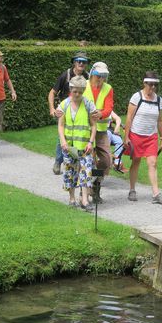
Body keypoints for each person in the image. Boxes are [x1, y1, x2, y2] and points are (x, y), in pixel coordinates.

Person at [124, 71, 162, 204]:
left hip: (151, 136)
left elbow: (160, 120)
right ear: (144, 83)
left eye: (155, 85)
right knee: (136, 161)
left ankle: (156, 194)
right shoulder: (136, 97)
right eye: (150, 84)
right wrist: (126, 137)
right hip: (136, 135)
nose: (153, 87)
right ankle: (132, 190)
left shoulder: (158, 100)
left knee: (153, 163)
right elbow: (129, 118)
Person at [57, 76, 97, 212]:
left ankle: (85, 200)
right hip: (69, 146)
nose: (77, 94)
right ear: (70, 89)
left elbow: (93, 125)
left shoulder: (88, 104)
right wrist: (62, 141)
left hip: (85, 146)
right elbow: (61, 125)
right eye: (75, 91)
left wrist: (91, 142)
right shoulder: (64, 105)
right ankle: (72, 198)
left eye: (80, 92)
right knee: (70, 172)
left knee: (86, 171)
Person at [49, 51, 90, 174]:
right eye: (79, 61)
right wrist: (52, 109)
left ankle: (75, 163)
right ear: (74, 62)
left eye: (84, 62)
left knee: (79, 136)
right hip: (65, 110)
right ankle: (58, 161)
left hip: (81, 111)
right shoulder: (66, 75)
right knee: (62, 137)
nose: (81, 64)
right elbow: (52, 93)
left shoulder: (88, 77)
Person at [83, 61, 114, 204]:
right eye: (98, 76)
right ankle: (85, 193)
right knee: (85, 161)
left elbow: (109, 108)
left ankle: (96, 183)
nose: (100, 79)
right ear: (92, 75)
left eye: (103, 76)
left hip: (101, 131)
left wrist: (100, 114)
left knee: (106, 161)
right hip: (86, 130)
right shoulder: (83, 85)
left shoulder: (108, 88)